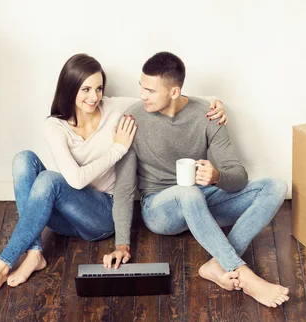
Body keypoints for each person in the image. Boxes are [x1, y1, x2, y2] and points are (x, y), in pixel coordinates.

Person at [0, 53, 229, 298]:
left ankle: (1, 266)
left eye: (99, 88)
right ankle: (34, 253)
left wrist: (214, 101)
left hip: (104, 214)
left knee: (48, 181)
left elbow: (167, 94)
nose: (94, 97)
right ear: (70, 89)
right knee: (23, 160)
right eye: (86, 89)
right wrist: (118, 149)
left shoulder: (115, 108)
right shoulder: (55, 126)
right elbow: (76, 180)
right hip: (69, 214)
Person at [104, 52, 290, 308]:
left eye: (149, 90)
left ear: (174, 91)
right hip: (160, 209)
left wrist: (216, 176)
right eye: (141, 87)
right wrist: (121, 244)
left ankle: (217, 263)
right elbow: (124, 189)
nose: (142, 95)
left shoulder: (207, 114)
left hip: (201, 200)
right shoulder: (132, 120)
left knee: (276, 187)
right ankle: (243, 273)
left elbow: (238, 177)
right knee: (187, 191)